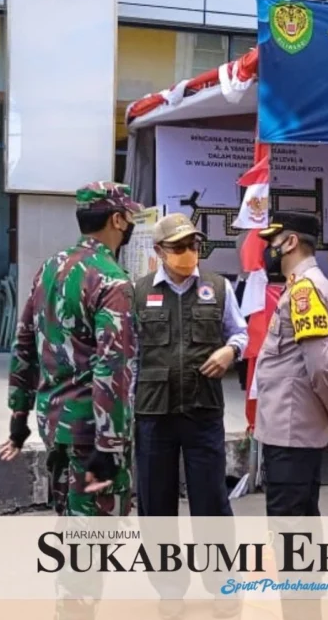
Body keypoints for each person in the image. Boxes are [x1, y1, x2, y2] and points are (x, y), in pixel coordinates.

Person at [2, 181, 142, 518]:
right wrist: (108, 446)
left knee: (71, 528)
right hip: (92, 435)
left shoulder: (50, 268)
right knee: (93, 543)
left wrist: (18, 417)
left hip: (54, 426)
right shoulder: (112, 281)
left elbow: (24, 343)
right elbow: (113, 365)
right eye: (130, 219)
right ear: (118, 220)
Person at [133, 212, 248, 516]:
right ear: (159, 251)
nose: (188, 253)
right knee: (155, 502)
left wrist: (230, 352)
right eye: (179, 247)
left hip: (203, 410)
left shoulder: (218, 287)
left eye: (193, 245)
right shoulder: (139, 292)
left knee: (211, 500)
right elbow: (129, 355)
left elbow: (240, 333)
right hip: (154, 412)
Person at [254, 211, 328, 516]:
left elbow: (320, 364)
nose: (268, 250)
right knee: (302, 522)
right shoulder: (303, 286)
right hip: (293, 425)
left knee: (289, 524)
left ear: (291, 242)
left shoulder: (305, 291)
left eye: (273, 242)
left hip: (290, 427)